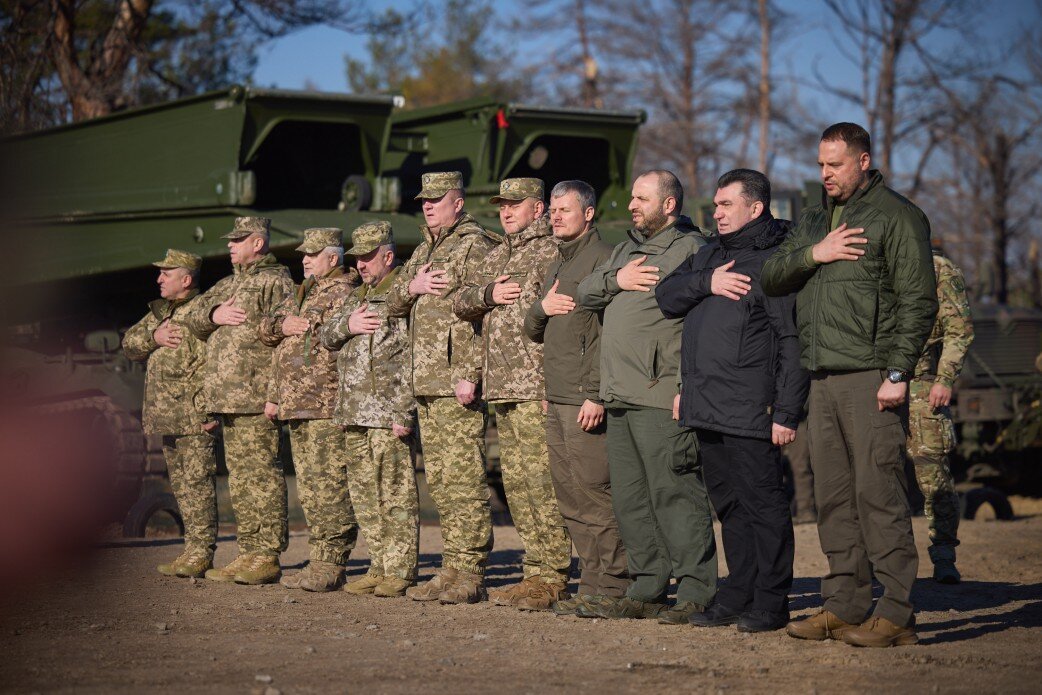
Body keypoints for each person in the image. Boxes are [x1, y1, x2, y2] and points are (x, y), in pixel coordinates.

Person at [762, 122, 938, 648]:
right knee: (834, 498)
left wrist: (898, 373)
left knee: (877, 493)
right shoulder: (814, 219)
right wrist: (816, 253)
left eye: (834, 164)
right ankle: (844, 605)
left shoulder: (897, 217)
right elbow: (773, 275)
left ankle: (898, 613)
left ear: (863, 160)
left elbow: (918, 302)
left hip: (871, 379)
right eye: (820, 165)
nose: (825, 174)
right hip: (820, 379)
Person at [657, 168, 809, 633]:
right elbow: (666, 295)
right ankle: (738, 593)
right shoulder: (710, 254)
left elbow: (791, 340)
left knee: (763, 506)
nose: (716, 212)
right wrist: (707, 283)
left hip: (751, 407)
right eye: (717, 205)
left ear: (755, 208)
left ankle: (771, 601)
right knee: (729, 506)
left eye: (726, 205)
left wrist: (785, 412)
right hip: (706, 403)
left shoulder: (776, 261)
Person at [576, 170, 718, 624]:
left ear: (669, 204)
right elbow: (585, 292)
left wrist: (686, 386)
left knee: (674, 493)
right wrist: (617, 278)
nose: (632, 205)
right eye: (633, 198)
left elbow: (700, 319)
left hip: (661, 392)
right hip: (619, 392)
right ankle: (647, 586)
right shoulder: (625, 249)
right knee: (632, 499)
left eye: (641, 198)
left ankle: (696, 589)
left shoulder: (690, 249)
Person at [454, 177, 572, 611]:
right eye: (502, 205)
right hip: (502, 386)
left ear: (537, 209)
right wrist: (489, 293)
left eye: (515, 205)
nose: (505, 212)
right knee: (518, 484)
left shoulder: (550, 251)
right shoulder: (497, 252)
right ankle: (534, 569)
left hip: (535, 386)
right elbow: (460, 302)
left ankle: (553, 575)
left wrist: (552, 384)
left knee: (541, 482)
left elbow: (560, 319)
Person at [386, 172, 501, 604]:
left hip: (455, 382)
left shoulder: (475, 244)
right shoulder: (423, 250)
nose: (428, 206)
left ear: (458, 202)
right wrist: (411, 286)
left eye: (437, 199)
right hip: (426, 382)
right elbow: (394, 302)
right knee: (441, 480)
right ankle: (452, 566)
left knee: (464, 478)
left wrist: (471, 372)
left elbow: (484, 314)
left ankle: (471, 570)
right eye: (424, 200)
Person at [523, 179, 629, 616]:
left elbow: (608, 336)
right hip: (557, 397)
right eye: (552, 209)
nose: (555, 216)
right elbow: (533, 330)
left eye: (564, 209)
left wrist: (596, 394)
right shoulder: (557, 263)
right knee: (569, 496)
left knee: (595, 493)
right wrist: (540, 309)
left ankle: (616, 584)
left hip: (585, 399)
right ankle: (590, 582)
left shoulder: (602, 260)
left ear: (588, 214)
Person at [185, 216, 294, 585]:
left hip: (255, 395)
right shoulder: (228, 283)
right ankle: (248, 550)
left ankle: (266, 554)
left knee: (262, 475)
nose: (230, 245)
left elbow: (283, 338)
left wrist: (276, 393)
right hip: (229, 397)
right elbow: (193, 317)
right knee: (241, 478)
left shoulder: (274, 281)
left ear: (258, 243)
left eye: (238, 239)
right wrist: (214, 314)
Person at [320, 222, 420, 598]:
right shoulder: (354, 296)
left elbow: (413, 354)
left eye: (367, 257)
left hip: (387, 413)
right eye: (357, 257)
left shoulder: (402, 293)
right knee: (365, 495)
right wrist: (347, 323)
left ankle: (400, 570)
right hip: (354, 412)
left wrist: (404, 412)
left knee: (395, 495)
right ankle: (379, 564)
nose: (360, 264)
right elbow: (326, 336)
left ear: (388, 256)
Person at [259, 227, 360, 592]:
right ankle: (319, 558)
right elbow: (266, 329)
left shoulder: (343, 293)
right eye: (303, 253)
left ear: (333, 259)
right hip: (297, 404)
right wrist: (282, 324)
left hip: (325, 403)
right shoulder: (302, 292)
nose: (303, 259)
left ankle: (331, 562)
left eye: (312, 254)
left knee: (329, 485)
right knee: (311, 487)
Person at [122, 249, 219, 578]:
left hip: (194, 418)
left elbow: (218, 364)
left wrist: (209, 408)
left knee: (198, 485)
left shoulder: (203, 311)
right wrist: (155, 336)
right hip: (170, 417)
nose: (159, 278)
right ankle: (192, 550)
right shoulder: (161, 314)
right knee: (182, 487)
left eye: (167, 273)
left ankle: (202, 551)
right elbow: (129, 343)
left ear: (186, 280)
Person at [907, 241, 973, 584]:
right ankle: (887, 564)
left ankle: (944, 556)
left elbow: (959, 329)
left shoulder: (936, 268)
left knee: (934, 479)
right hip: (871, 387)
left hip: (921, 386)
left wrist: (944, 378)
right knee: (875, 482)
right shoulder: (867, 261)